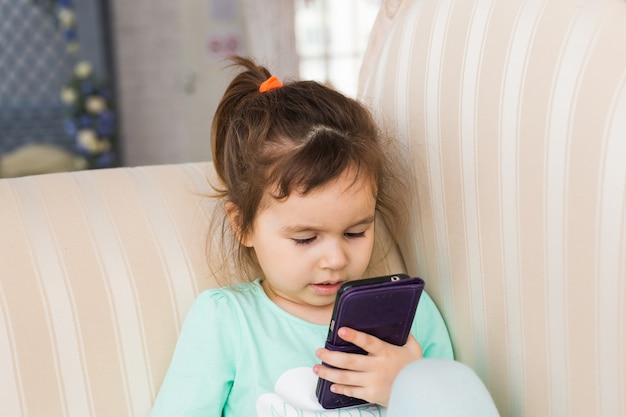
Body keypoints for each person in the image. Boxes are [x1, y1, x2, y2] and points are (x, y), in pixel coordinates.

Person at [150, 56, 496, 417]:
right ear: (243, 225)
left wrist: (407, 386)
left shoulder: (412, 315)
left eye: (355, 232)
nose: (335, 259)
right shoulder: (228, 322)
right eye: (305, 238)